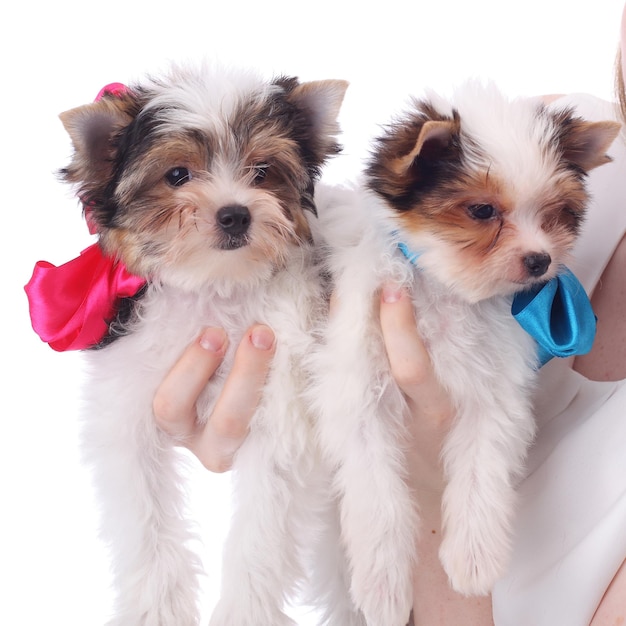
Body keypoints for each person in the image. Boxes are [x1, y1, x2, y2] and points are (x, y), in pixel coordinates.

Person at [152, 7, 626, 623]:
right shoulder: (547, 127)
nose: (537, 247)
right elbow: (304, 242)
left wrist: (430, 498)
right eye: (486, 213)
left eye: (552, 214)